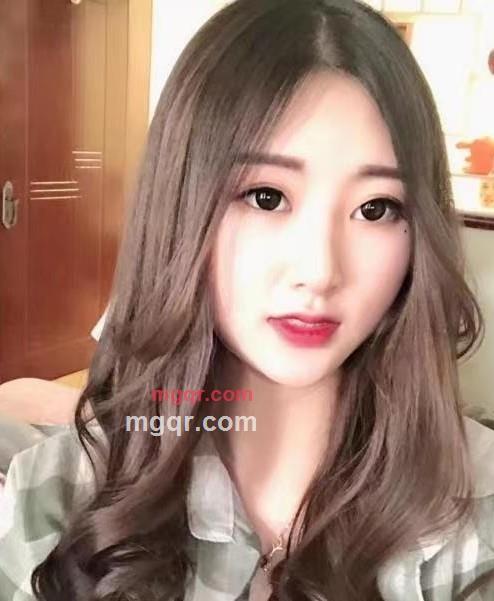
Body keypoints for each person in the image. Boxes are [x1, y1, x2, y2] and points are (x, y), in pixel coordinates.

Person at [1, 0, 494, 599]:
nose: (318, 270)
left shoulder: (475, 517)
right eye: (266, 197)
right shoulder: (53, 502)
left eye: (375, 208)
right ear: (181, 205)